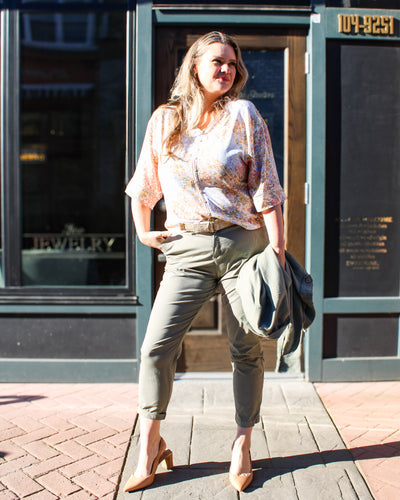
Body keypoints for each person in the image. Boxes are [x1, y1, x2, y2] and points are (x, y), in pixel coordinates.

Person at [124, 31, 286, 493]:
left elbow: (267, 187)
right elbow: (143, 184)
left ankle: (242, 444)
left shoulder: (244, 115)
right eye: (217, 61)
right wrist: (141, 231)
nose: (226, 70)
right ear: (194, 66)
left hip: (242, 246)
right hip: (186, 249)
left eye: (232, 64)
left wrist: (276, 251)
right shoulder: (165, 120)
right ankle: (150, 446)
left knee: (246, 350)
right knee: (156, 348)